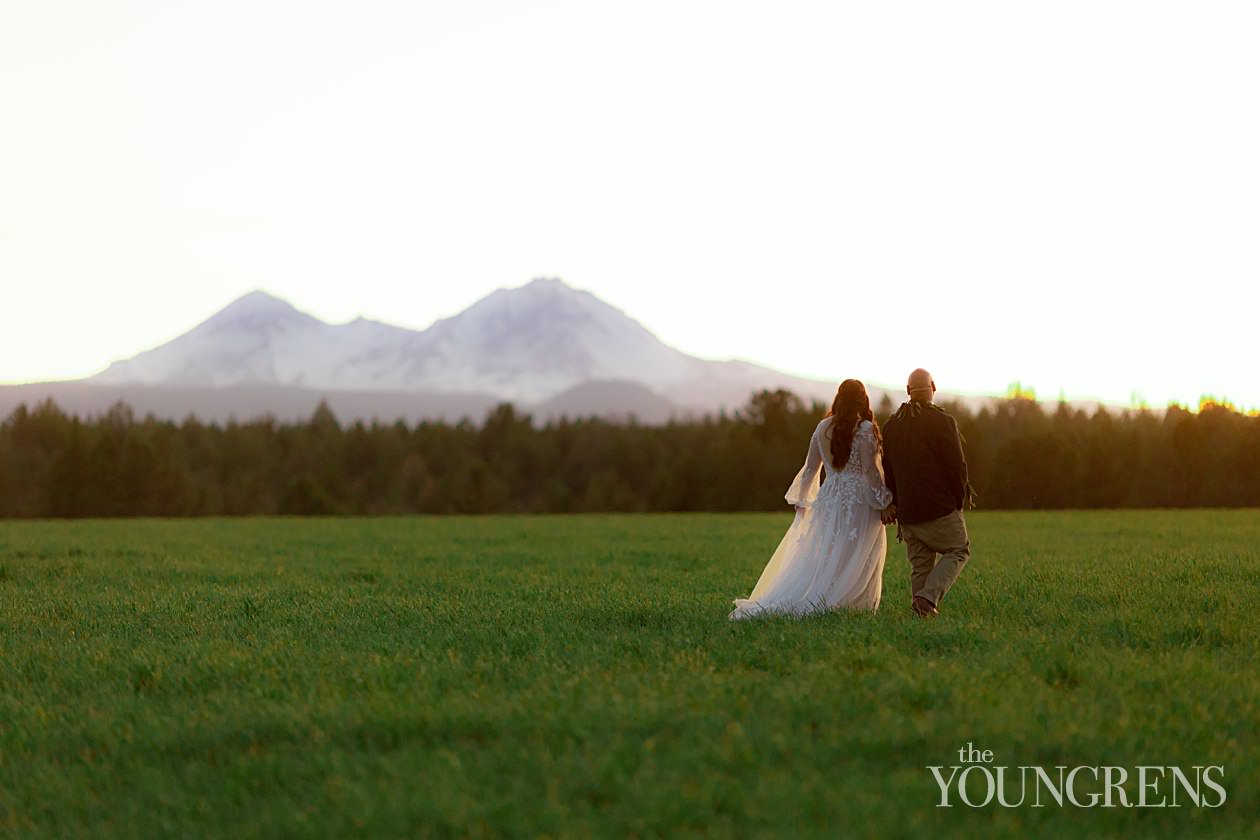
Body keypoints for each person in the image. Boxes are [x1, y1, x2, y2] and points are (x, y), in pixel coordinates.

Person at [730, 379, 894, 619]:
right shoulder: (866, 429)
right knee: (857, 550)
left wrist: (804, 499)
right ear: (863, 400)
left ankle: (832, 598)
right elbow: (870, 472)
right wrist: (884, 501)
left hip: (829, 497)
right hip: (857, 500)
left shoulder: (822, 428)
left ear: (838, 398)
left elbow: (810, 469)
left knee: (829, 550)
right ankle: (851, 602)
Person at [880, 368, 972, 618]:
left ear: (909, 391)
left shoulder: (891, 426)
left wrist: (895, 503)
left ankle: (921, 613)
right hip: (939, 508)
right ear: (933, 387)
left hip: (907, 512)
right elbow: (957, 466)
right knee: (959, 549)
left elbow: (887, 471)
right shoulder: (944, 421)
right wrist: (958, 500)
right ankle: (927, 598)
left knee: (921, 566)